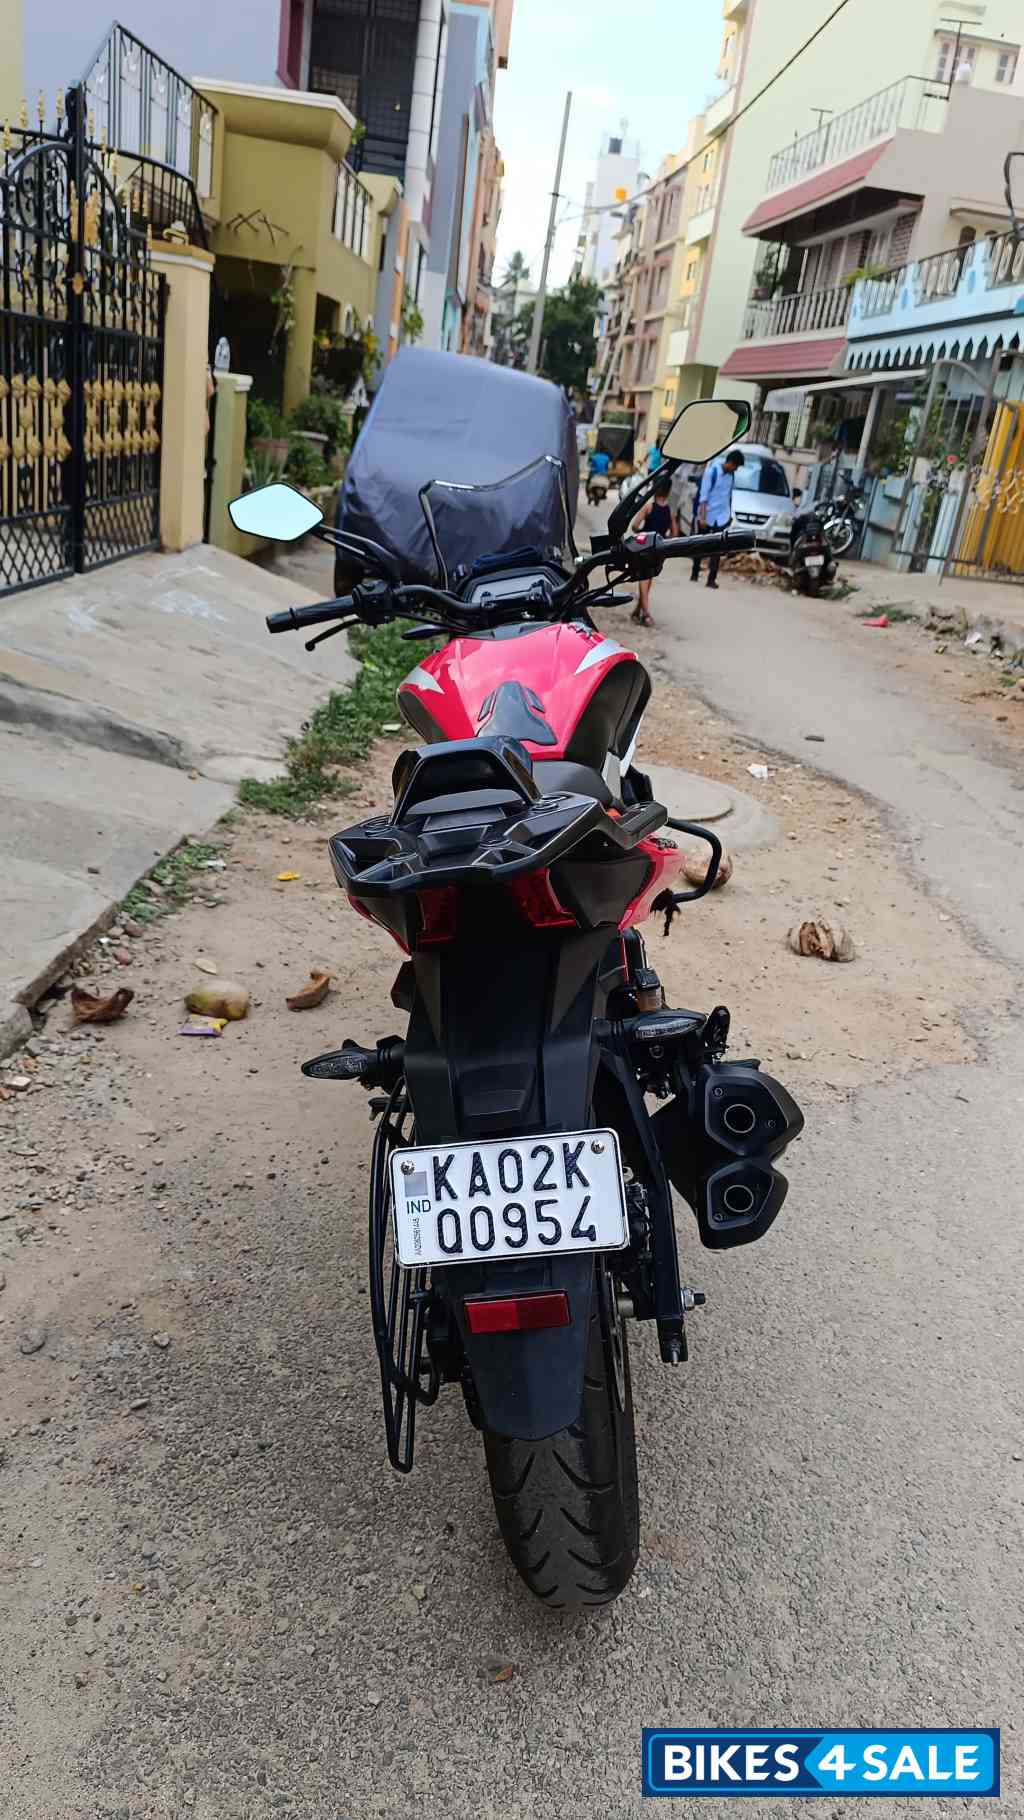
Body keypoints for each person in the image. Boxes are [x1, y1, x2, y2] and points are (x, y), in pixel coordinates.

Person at [629, 476, 678, 627]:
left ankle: (645, 613)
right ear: (669, 491)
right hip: (659, 550)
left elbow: (635, 525)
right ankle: (641, 612)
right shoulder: (669, 511)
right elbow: (675, 533)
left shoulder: (648, 507)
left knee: (644, 578)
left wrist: (641, 532)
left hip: (645, 548)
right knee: (648, 579)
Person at [691, 448, 742, 589]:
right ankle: (695, 572)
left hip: (722, 516)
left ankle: (711, 579)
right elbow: (703, 497)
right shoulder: (712, 472)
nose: (736, 469)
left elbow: (728, 496)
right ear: (731, 463)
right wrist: (701, 517)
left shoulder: (731, 476)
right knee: (701, 545)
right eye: (736, 466)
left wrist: (730, 515)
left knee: (718, 548)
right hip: (707, 515)